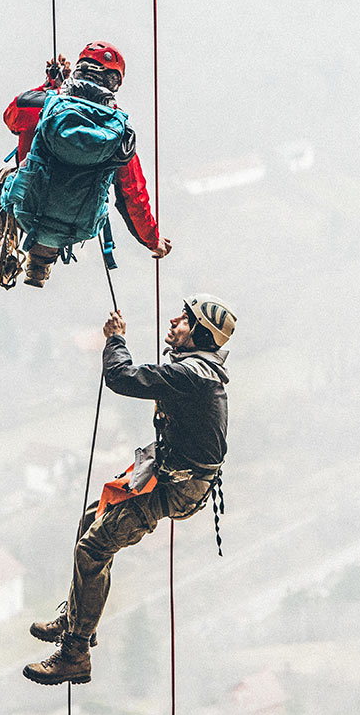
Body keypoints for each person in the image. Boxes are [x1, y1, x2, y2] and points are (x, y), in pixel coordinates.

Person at [23, 293, 236, 685]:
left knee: (93, 547)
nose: (174, 321)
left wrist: (115, 339)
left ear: (200, 334)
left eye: (185, 319)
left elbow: (122, 378)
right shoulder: (197, 372)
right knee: (94, 517)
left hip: (178, 483)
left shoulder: (191, 375)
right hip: (175, 472)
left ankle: (75, 651)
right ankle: (76, 616)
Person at [0, 41, 172, 288]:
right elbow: (133, 195)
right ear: (114, 83)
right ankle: (39, 266)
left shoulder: (46, 104)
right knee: (66, 199)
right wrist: (152, 239)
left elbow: (11, 117)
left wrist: (50, 87)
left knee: (7, 178)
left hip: (26, 207)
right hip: (76, 226)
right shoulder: (120, 132)